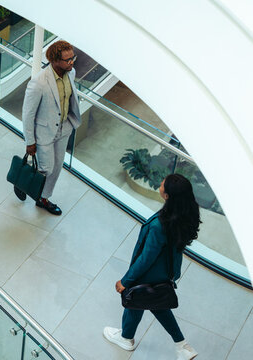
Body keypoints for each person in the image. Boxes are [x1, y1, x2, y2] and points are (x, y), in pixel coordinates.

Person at [104, 174, 200, 360]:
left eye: (164, 183)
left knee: (135, 298)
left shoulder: (159, 225)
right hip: (166, 271)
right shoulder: (183, 214)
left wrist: (126, 280)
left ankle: (127, 338)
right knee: (154, 304)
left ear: (167, 196)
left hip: (151, 273)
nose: (161, 182)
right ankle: (181, 346)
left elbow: (146, 258)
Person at [15, 40, 81, 215]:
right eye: (67, 60)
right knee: (46, 168)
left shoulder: (71, 73)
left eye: (72, 58)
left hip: (64, 128)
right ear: (54, 61)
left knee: (56, 168)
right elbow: (27, 114)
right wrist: (30, 141)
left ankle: (43, 198)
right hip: (43, 132)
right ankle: (22, 179)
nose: (71, 62)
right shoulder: (39, 82)